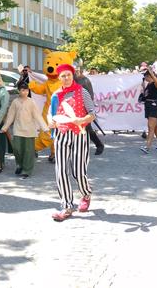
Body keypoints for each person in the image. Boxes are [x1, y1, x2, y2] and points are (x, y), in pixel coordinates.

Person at [48, 64, 96, 222]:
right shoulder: (56, 94)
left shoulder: (82, 92)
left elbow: (92, 114)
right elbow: (51, 114)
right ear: (59, 78)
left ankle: (86, 193)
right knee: (60, 170)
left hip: (79, 134)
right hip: (62, 135)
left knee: (78, 171)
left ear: (72, 76)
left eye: (68, 75)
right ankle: (67, 205)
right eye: (63, 76)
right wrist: (51, 122)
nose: (66, 78)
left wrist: (81, 120)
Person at [0, 83, 48, 179]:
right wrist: (5, 127)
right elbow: (10, 116)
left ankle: (26, 170)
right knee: (17, 149)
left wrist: (45, 128)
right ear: (19, 91)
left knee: (28, 151)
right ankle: (19, 165)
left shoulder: (31, 102)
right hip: (18, 129)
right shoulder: (15, 102)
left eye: (26, 90)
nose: (25, 92)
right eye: (23, 90)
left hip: (29, 130)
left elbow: (37, 116)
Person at [73, 65, 105, 156]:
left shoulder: (85, 80)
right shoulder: (71, 80)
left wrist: (87, 109)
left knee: (87, 128)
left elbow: (89, 96)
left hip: (83, 108)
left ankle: (99, 145)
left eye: (76, 70)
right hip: (74, 108)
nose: (75, 72)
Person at [139, 67, 157, 153]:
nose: (145, 78)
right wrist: (143, 88)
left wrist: (150, 71)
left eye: (145, 76)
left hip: (154, 106)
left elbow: (156, 80)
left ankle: (147, 147)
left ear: (149, 76)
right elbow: (145, 96)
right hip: (148, 106)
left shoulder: (155, 83)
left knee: (150, 127)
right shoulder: (148, 85)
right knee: (155, 127)